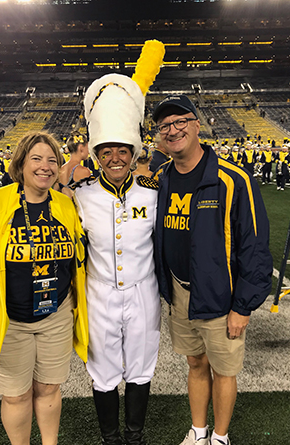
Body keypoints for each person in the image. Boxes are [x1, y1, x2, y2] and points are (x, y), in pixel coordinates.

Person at [0, 131, 88, 445]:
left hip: (55, 315)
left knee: (50, 388)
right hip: (9, 318)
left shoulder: (66, 207)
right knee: (15, 395)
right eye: (36, 159)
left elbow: (77, 259)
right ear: (21, 164)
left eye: (52, 160)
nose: (45, 166)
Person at [151, 95, 271, 445]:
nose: (173, 131)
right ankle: (199, 431)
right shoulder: (162, 176)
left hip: (221, 295)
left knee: (224, 370)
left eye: (180, 122)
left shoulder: (233, 179)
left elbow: (256, 246)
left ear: (196, 124)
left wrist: (243, 306)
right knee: (195, 364)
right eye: (164, 126)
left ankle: (220, 436)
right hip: (179, 291)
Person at [73, 74, 160, 445]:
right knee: (103, 371)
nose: (115, 158)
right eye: (106, 151)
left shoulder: (153, 193)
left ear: (134, 152)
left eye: (122, 150)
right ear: (96, 154)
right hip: (99, 294)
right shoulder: (80, 195)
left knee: (141, 369)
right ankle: (110, 438)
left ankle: (134, 435)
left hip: (144, 292)